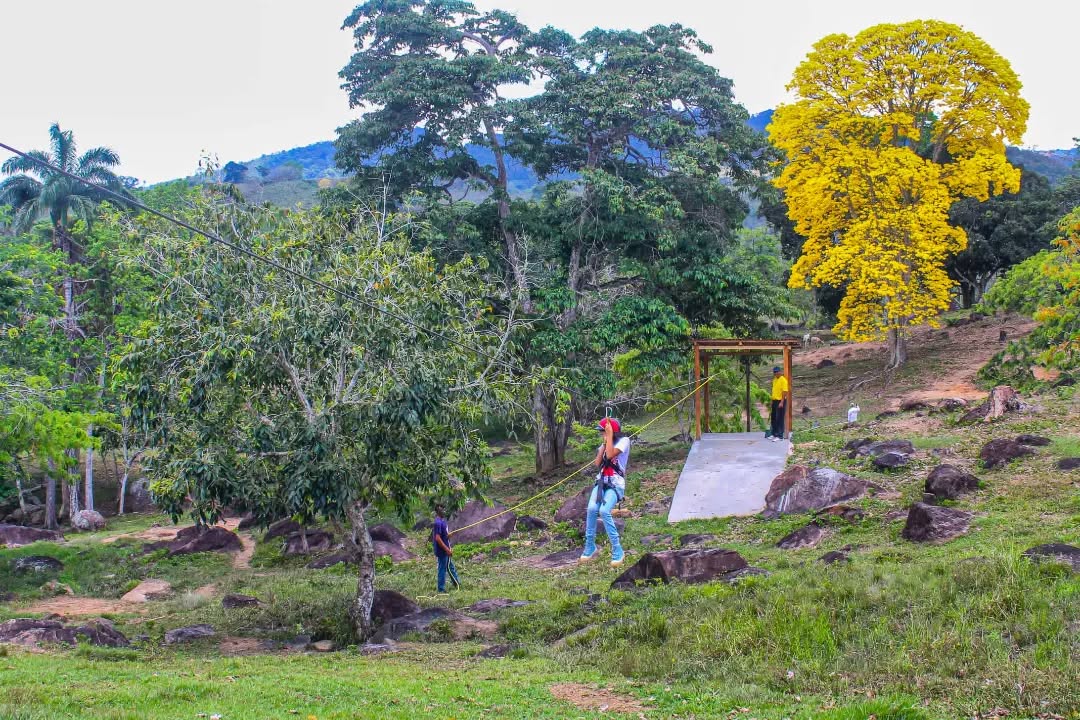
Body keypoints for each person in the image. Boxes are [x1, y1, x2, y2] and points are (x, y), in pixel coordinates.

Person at [579, 417, 630, 567]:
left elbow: (610, 454)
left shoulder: (624, 441)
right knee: (592, 509)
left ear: (611, 432)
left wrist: (609, 437)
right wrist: (604, 443)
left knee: (604, 511)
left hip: (615, 484)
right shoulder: (605, 443)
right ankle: (590, 546)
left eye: (604, 432)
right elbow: (597, 462)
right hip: (601, 481)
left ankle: (617, 549)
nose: (602, 434)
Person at [432, 504, 459, 593]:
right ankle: (441, 589)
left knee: (450, 567)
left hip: (446, 548)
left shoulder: (443, 521)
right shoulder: (437, 523)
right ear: (439, 511)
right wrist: (447, 550)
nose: (445, 511)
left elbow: (443, 535)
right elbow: (437, 538)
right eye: (443, 510)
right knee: (442, 569)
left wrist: (448, 536)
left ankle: (457, 583)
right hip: (442, 551)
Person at [767, 365, 789, 442]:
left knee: (779, 418)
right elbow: (774, 391)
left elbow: (785, 391)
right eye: (774, 372)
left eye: (777, 372)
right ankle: (774, 434)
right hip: (774, 400)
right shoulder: (774, 380)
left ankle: (780, 436)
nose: (776, 374)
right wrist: (771, 401)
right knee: (773, 418)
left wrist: (782, 402)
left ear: (780, 372)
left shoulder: (783, 380)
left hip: (780, 401)